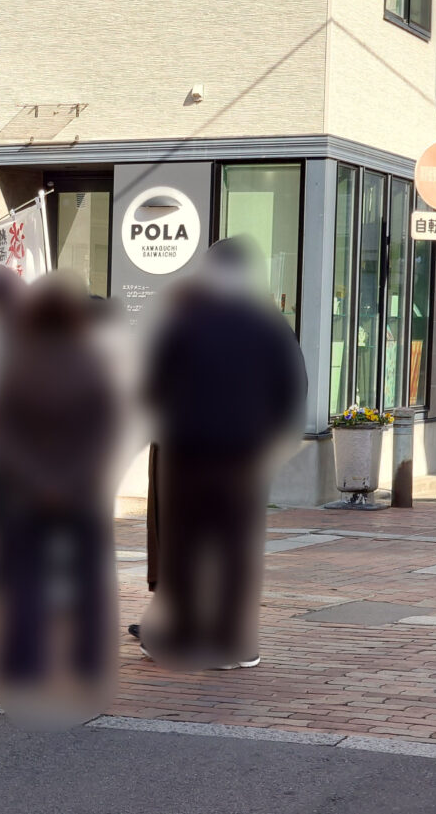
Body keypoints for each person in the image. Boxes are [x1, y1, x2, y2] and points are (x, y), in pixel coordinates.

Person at [135, 237, 306, 672]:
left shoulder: (182, 320)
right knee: (235, 550)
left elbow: (150, 383)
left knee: (184, 546)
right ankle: (234, 643)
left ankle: (184, 635)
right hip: (243, 458)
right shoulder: (270, 324)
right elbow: (292, 388)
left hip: (184, 452)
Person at [0, 272, 121, 728]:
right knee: (92, 584)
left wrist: (38, 480)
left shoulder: (18, 364)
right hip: (83, 492)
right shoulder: (92, 364)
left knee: (26, 581)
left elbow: (3, 436)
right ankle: (89, 666)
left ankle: (25, 669)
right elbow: (104, 433)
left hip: (28, 493)